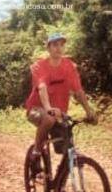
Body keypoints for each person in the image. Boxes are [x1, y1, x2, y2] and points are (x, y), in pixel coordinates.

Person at [25, 32, 96, 172]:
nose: (58, 48)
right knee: (49, 118)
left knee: (69, 151)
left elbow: (78, 91)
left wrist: (89, 111)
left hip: (59, 113)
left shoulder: (69, 66)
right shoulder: (40, 66)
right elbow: (42, 87)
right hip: (37, 108)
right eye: (55, 45)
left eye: (61, 45)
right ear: (48, 48)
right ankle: (36, 153)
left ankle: (59, 189)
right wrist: (48, 108)